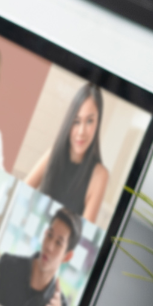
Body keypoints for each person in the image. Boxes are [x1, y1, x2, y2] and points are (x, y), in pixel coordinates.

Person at [24, 82, 107, 223]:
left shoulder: (99, 175)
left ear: (98, 123)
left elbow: (83, 232)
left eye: (89, 121)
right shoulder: (53, 154)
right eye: (76, 121)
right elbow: (20, 193)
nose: (81, 132)